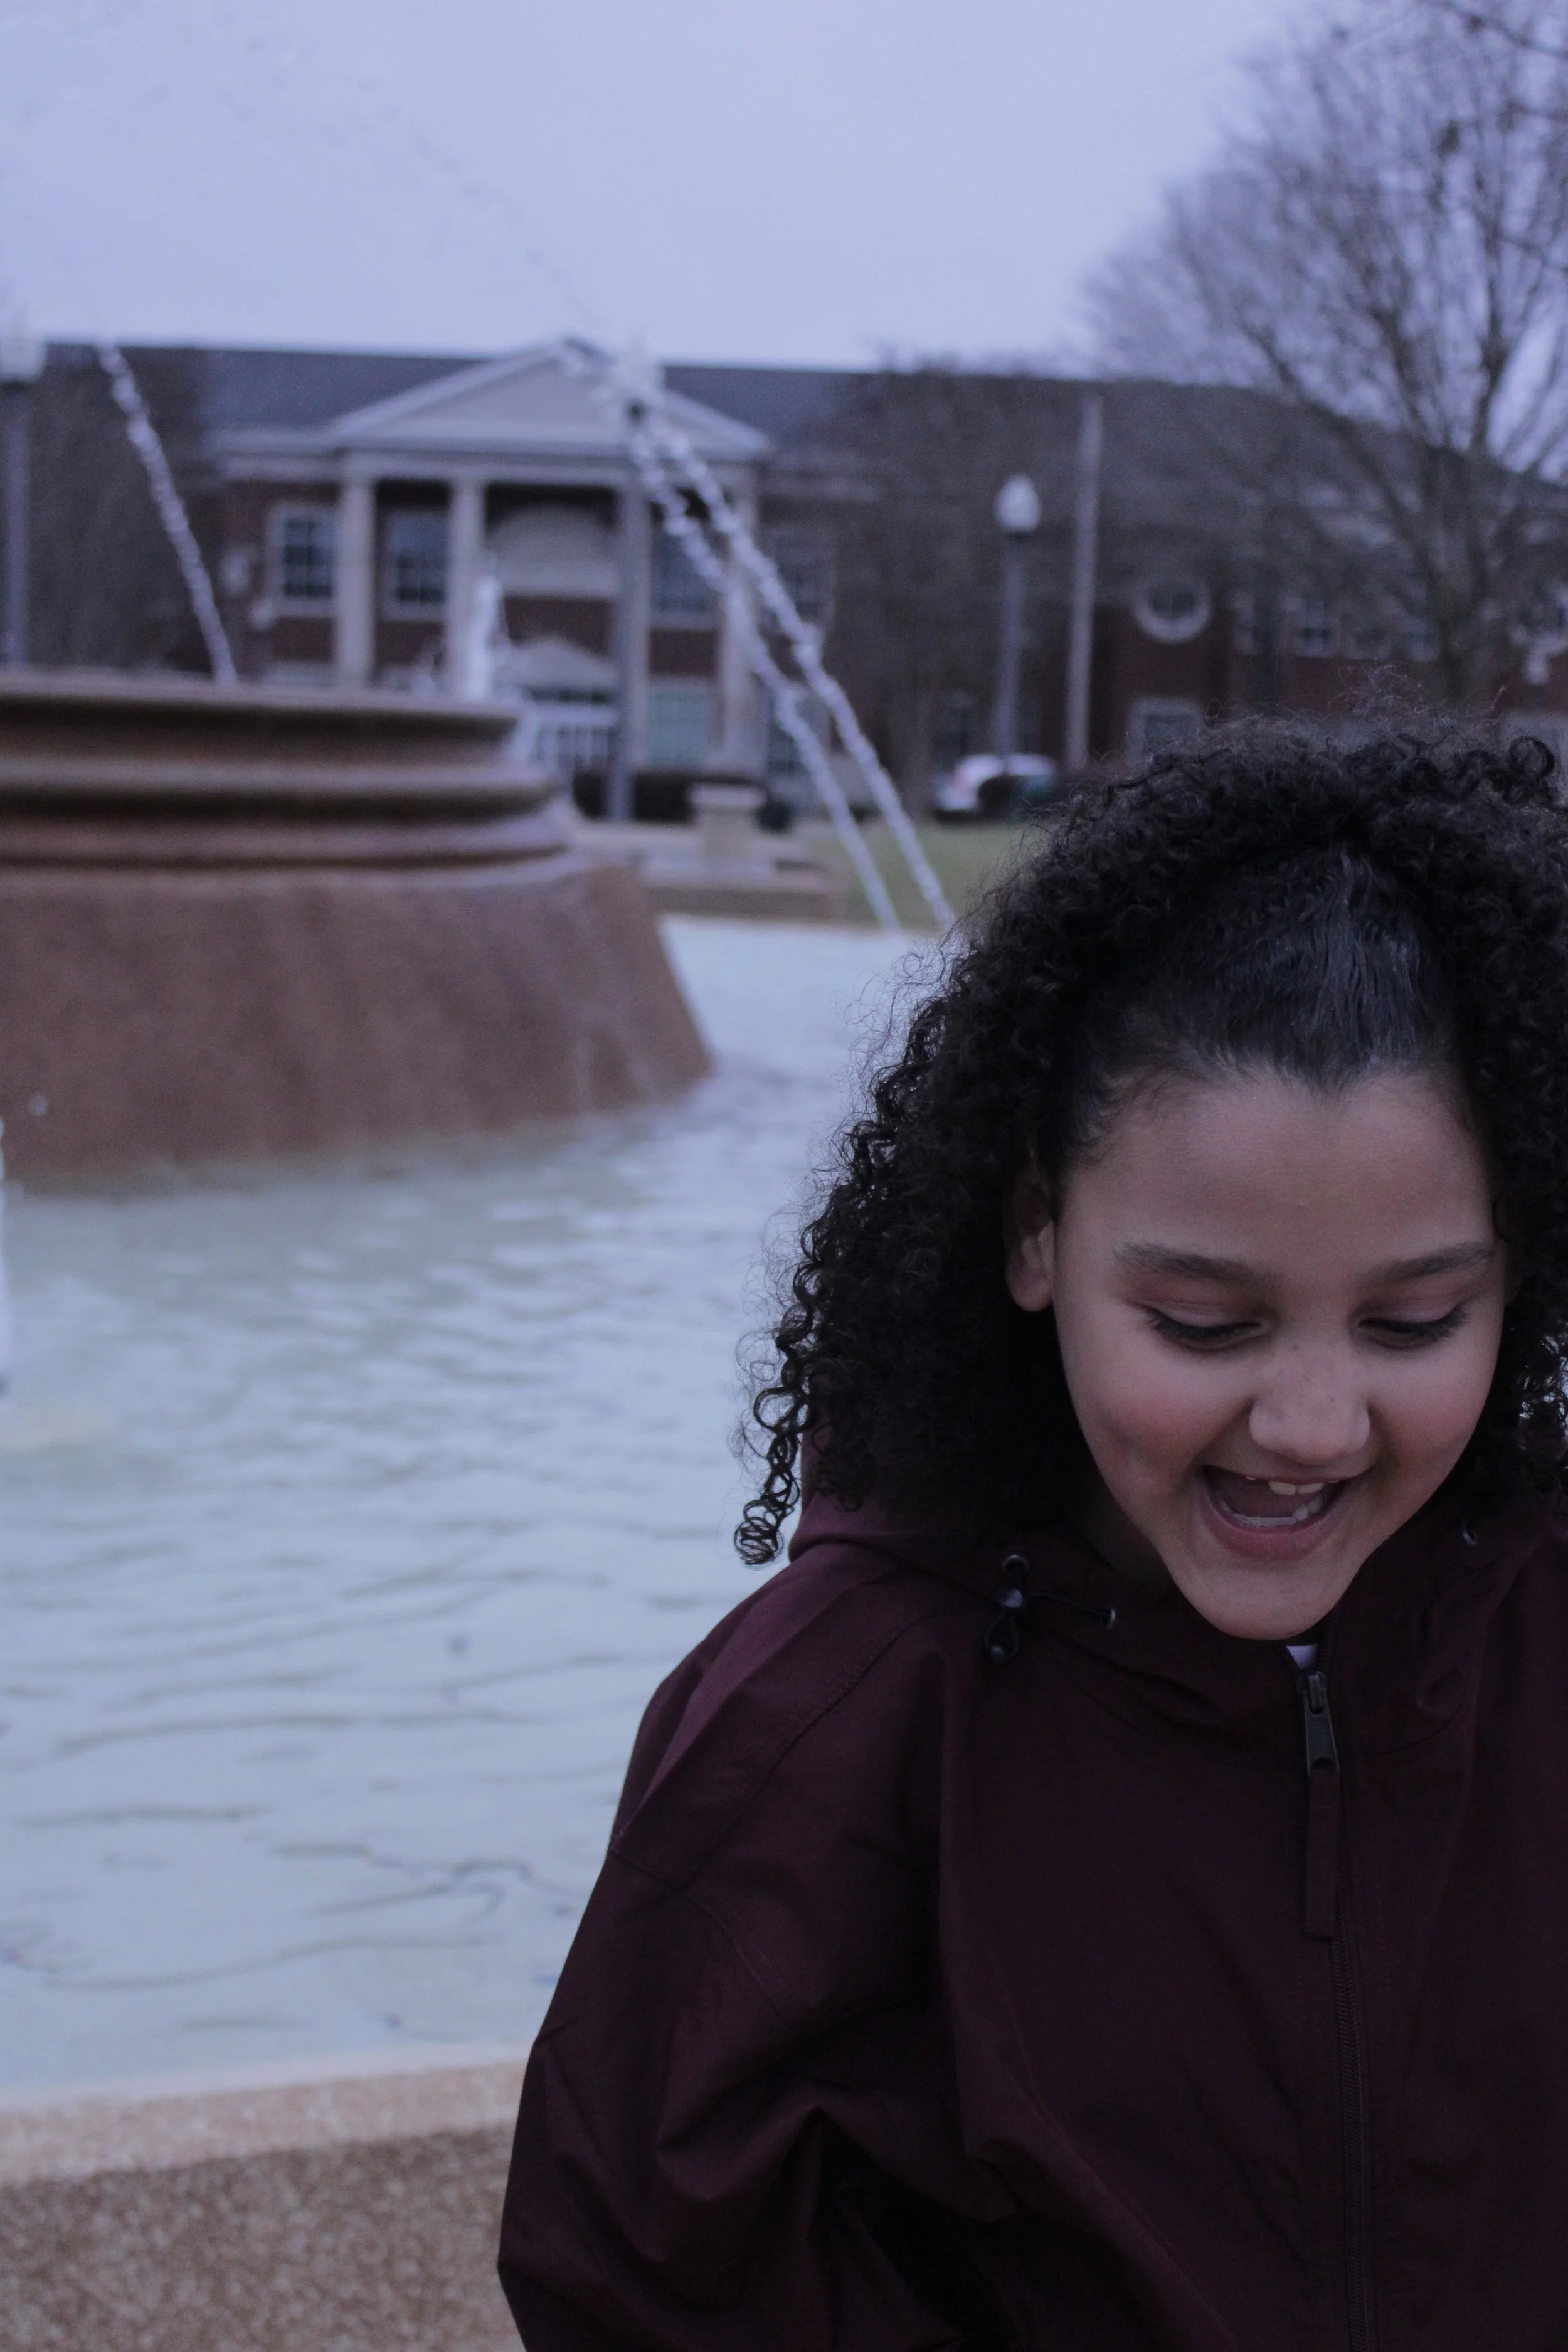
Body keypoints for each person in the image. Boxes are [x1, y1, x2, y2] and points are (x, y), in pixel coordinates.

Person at [499, 726, 1568, 2351]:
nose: (1307, 1421)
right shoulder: (832, 1712)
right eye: (1202, 1321)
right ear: (1031, 1234)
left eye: (1412, 1317)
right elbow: (645, 2258)